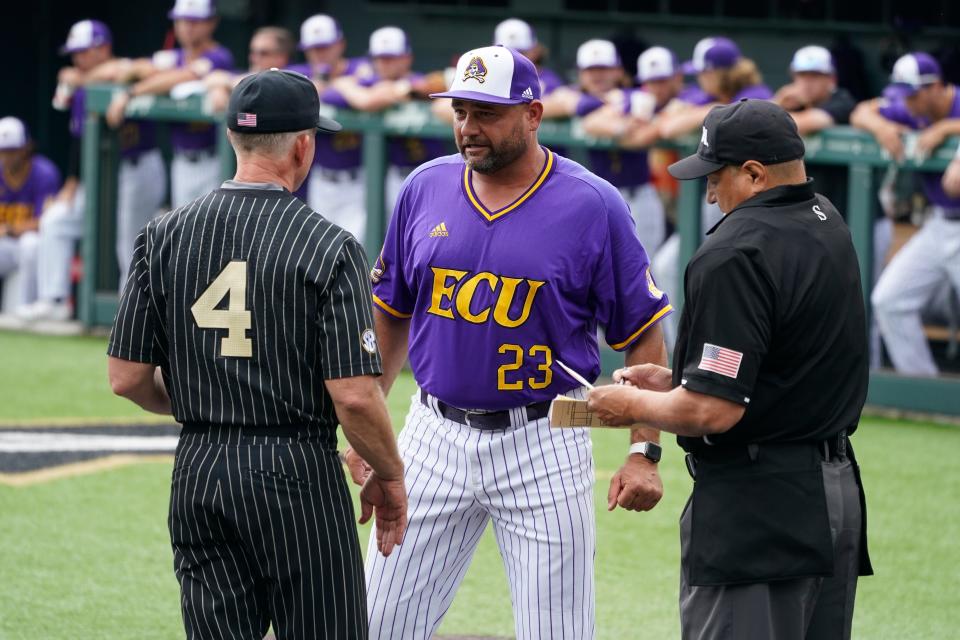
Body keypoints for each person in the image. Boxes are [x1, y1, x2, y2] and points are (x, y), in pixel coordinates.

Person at [348, 45, 672, 640]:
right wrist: (369, 428)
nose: (469, 129)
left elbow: (643, 332)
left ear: (532, 114)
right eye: (460, 111)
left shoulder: (592, 203)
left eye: (487, 113)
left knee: (558, 633)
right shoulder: (425, 186)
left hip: (543, 441)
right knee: (376, 624)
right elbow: (390, 313)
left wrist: (643, 449)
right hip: (431, 438)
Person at [106, 69, 407, 639]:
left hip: (199, 468)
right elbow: (354, 395)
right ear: (303, 144)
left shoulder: (162, 235)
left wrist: (208, 404)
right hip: (295, 474)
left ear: (231, 139)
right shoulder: (329, 244)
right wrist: (390, 476)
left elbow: (125, 379)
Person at [588, 99, 872, 640]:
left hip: (759, 508)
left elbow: (710, 411)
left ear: (754, 173)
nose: (710, 192)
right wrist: (676, 382)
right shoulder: (826, 218)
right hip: (833, 493)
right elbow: (785, 360)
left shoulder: (734, 252)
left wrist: (629, 405)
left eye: (715, 176)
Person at [22, 20, 166, 321]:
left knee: (129, 240)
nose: (78, 59)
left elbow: (143, 70)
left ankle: (133, 315)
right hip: (97, 174)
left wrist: (90, 77)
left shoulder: (126, 70)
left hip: (137, 167)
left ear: (103, 48)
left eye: (84, 51)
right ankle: (55, 300)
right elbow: (78, 138)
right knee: (56, 220)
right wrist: (72, 182)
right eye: (75, 53)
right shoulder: (79, 87)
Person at [653, 37, 773, 351]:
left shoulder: (756, 94)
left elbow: (756, 111)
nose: (700, 79)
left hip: (758, 201)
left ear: (719, 72)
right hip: (723, 193)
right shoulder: (707, 96)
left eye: (704, 73)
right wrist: (711, 109)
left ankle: (703, 345)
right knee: (669, 265)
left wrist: (710, 112)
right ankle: (683, 347)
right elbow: (667, 125)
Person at [851, 52, 960, 376]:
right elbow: (861, 111)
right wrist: (881, 126)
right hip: (940, 222)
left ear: (936, 87)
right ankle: (924, 391)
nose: (908, 104)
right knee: (890, 300)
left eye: (913, 95)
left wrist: (947, 129)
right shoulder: (911, 109)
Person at [106, 0, 234, 208]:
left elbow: (186, 74)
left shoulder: (219, 56)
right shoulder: (173, 57)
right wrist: (145, 72)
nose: (187, 27)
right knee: (183, 235)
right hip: (180, 161)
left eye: (195, 21)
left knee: (211, 234)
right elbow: (134, 68)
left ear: (211, 23)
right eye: (182, 21)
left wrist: (132, 92)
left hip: (215, 160)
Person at [542, 39, 666, 252]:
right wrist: (599, 109)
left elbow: (632, 128)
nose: (597, 75)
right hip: (592, 198)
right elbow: (543, 106)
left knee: (644, 268)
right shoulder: (573, 95)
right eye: (591, 69)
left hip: (637, 197)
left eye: (604, 68)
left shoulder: (635, 96)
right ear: (580, 73)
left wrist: (587, 111)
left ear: (618, 71)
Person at [326, 26, 446, 220]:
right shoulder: (370, 82)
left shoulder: (420, 83)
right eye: (379, 58)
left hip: (431, 177)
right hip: (392, 177)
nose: (383, 64)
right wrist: (350, 87)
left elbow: (437, 89)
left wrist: (405, 89)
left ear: (407, 58)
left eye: (390, 58)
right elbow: (332, 94)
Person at [289, 14, 374, 239]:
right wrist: (336, 88)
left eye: (325, 47)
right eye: (313, 48)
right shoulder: (300, 72)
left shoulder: (360, 68)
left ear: (340, 44)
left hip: (359, 180)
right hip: (321, 181)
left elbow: (371, 96)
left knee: (359, 248)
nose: (319, 54)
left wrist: (327, 88)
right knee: (319, 249)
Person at [0, 118, 60, 311]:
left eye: (12, 150)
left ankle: (26, 310)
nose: (7, 157)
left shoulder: (44, 173)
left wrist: (10, 229)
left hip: (31, 245)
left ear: (26, 148)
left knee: (30, 244)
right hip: (5, 246)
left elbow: (46, 222)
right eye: (3, 151)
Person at [493, 18, 563, 95]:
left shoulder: (550, 83)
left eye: (520, 52)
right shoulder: (489, 78)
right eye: (505, 52)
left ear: (535, 51)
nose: (513, 58)